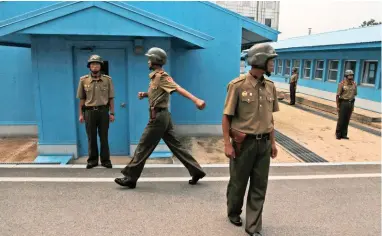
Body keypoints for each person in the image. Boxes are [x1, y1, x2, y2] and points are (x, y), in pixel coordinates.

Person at [114, 47, 206, 188]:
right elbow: (159, 94)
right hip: (163, 116)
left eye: (149, 59)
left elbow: (178, 88)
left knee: (143, 146)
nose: (148, 62)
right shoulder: (155, 77)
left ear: (155, 60)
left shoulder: (162, 76)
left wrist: (196, 100)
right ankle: (196, 171)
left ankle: (130, 178)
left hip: (158, 118)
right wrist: (145, 94)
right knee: (177, 146)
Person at [222, 43, 279, 236]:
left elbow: (270, 118)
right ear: (260, 60)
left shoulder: (271, 87)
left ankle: (254, 227)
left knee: (259, 185)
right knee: (238, 182)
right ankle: (233, 211)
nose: (273, 65)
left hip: (263, 144)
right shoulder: (237, 86)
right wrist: (227, 143)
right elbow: (226, 117)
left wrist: (272, 142)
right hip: (243, 144)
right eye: (271, 61)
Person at [76, 55, 115, 169]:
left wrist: (112, 113)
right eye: (92, 64)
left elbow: (111, 98)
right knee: (91, 137)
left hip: (103, 112)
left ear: (100, 66)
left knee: (104, 137)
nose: (95, 66)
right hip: (89, 112)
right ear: (89, 67)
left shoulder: (107, 80)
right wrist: (80, 114)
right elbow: (82, 99)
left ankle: (105, 160)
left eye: (97, 64)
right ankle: (92, 161)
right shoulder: (83, 80)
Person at [336, 69, 357, 140]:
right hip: (343, 103)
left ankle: (344, 134)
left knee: (347, 119)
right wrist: (338, 106)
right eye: (350, 75)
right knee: (341, 119)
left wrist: (352, 106)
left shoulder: (354, 84)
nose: (351, 76)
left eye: (352, 75)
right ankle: (338, 134)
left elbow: (354, 95)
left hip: (350, 103)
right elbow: (337, 96)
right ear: (346, 76)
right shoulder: (341, 84)